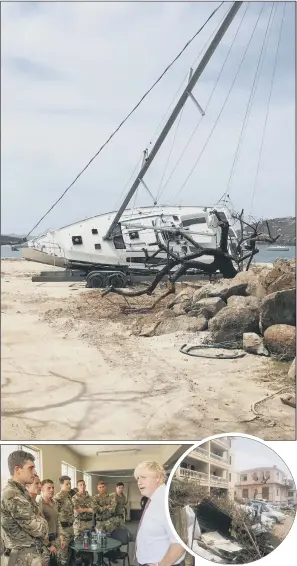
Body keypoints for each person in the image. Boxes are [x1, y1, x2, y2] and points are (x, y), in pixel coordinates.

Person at [1, 450, 48, 566]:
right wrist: (42, 521)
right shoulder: (12, 494)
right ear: (17, 469)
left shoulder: (22, 492)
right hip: (21, 559)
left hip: (31, 554)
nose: (34, 472)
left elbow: (38, 518)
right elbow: (40, 529)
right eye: (30, 468)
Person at [134, 461, 185, 566]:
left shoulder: (168, 502)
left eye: (143, 477)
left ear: (158, 477)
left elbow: (179, 544)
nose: (139, 482)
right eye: (138, 478)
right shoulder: (154, 499)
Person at [53, 475, 74, 566]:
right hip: (63, 531)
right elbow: (55, 517)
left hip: (71, 529)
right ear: (61, 485)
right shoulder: (58, 498)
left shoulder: (68, 496)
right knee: (63, 557)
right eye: (67, 484)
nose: (69, 486)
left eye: (70, 484)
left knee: (70, 554)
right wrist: (61, 535)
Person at [40, 479, 60, 565]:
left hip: (55, 539)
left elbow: (57, 521)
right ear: (42, 489)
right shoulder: (39, 505)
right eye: (49, 488)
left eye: (53, 487)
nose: (52, 490)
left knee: (55, 563)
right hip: (46, 541)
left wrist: (60, 536)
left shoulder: (54, 503)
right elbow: (40, 529)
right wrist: (49, 545)